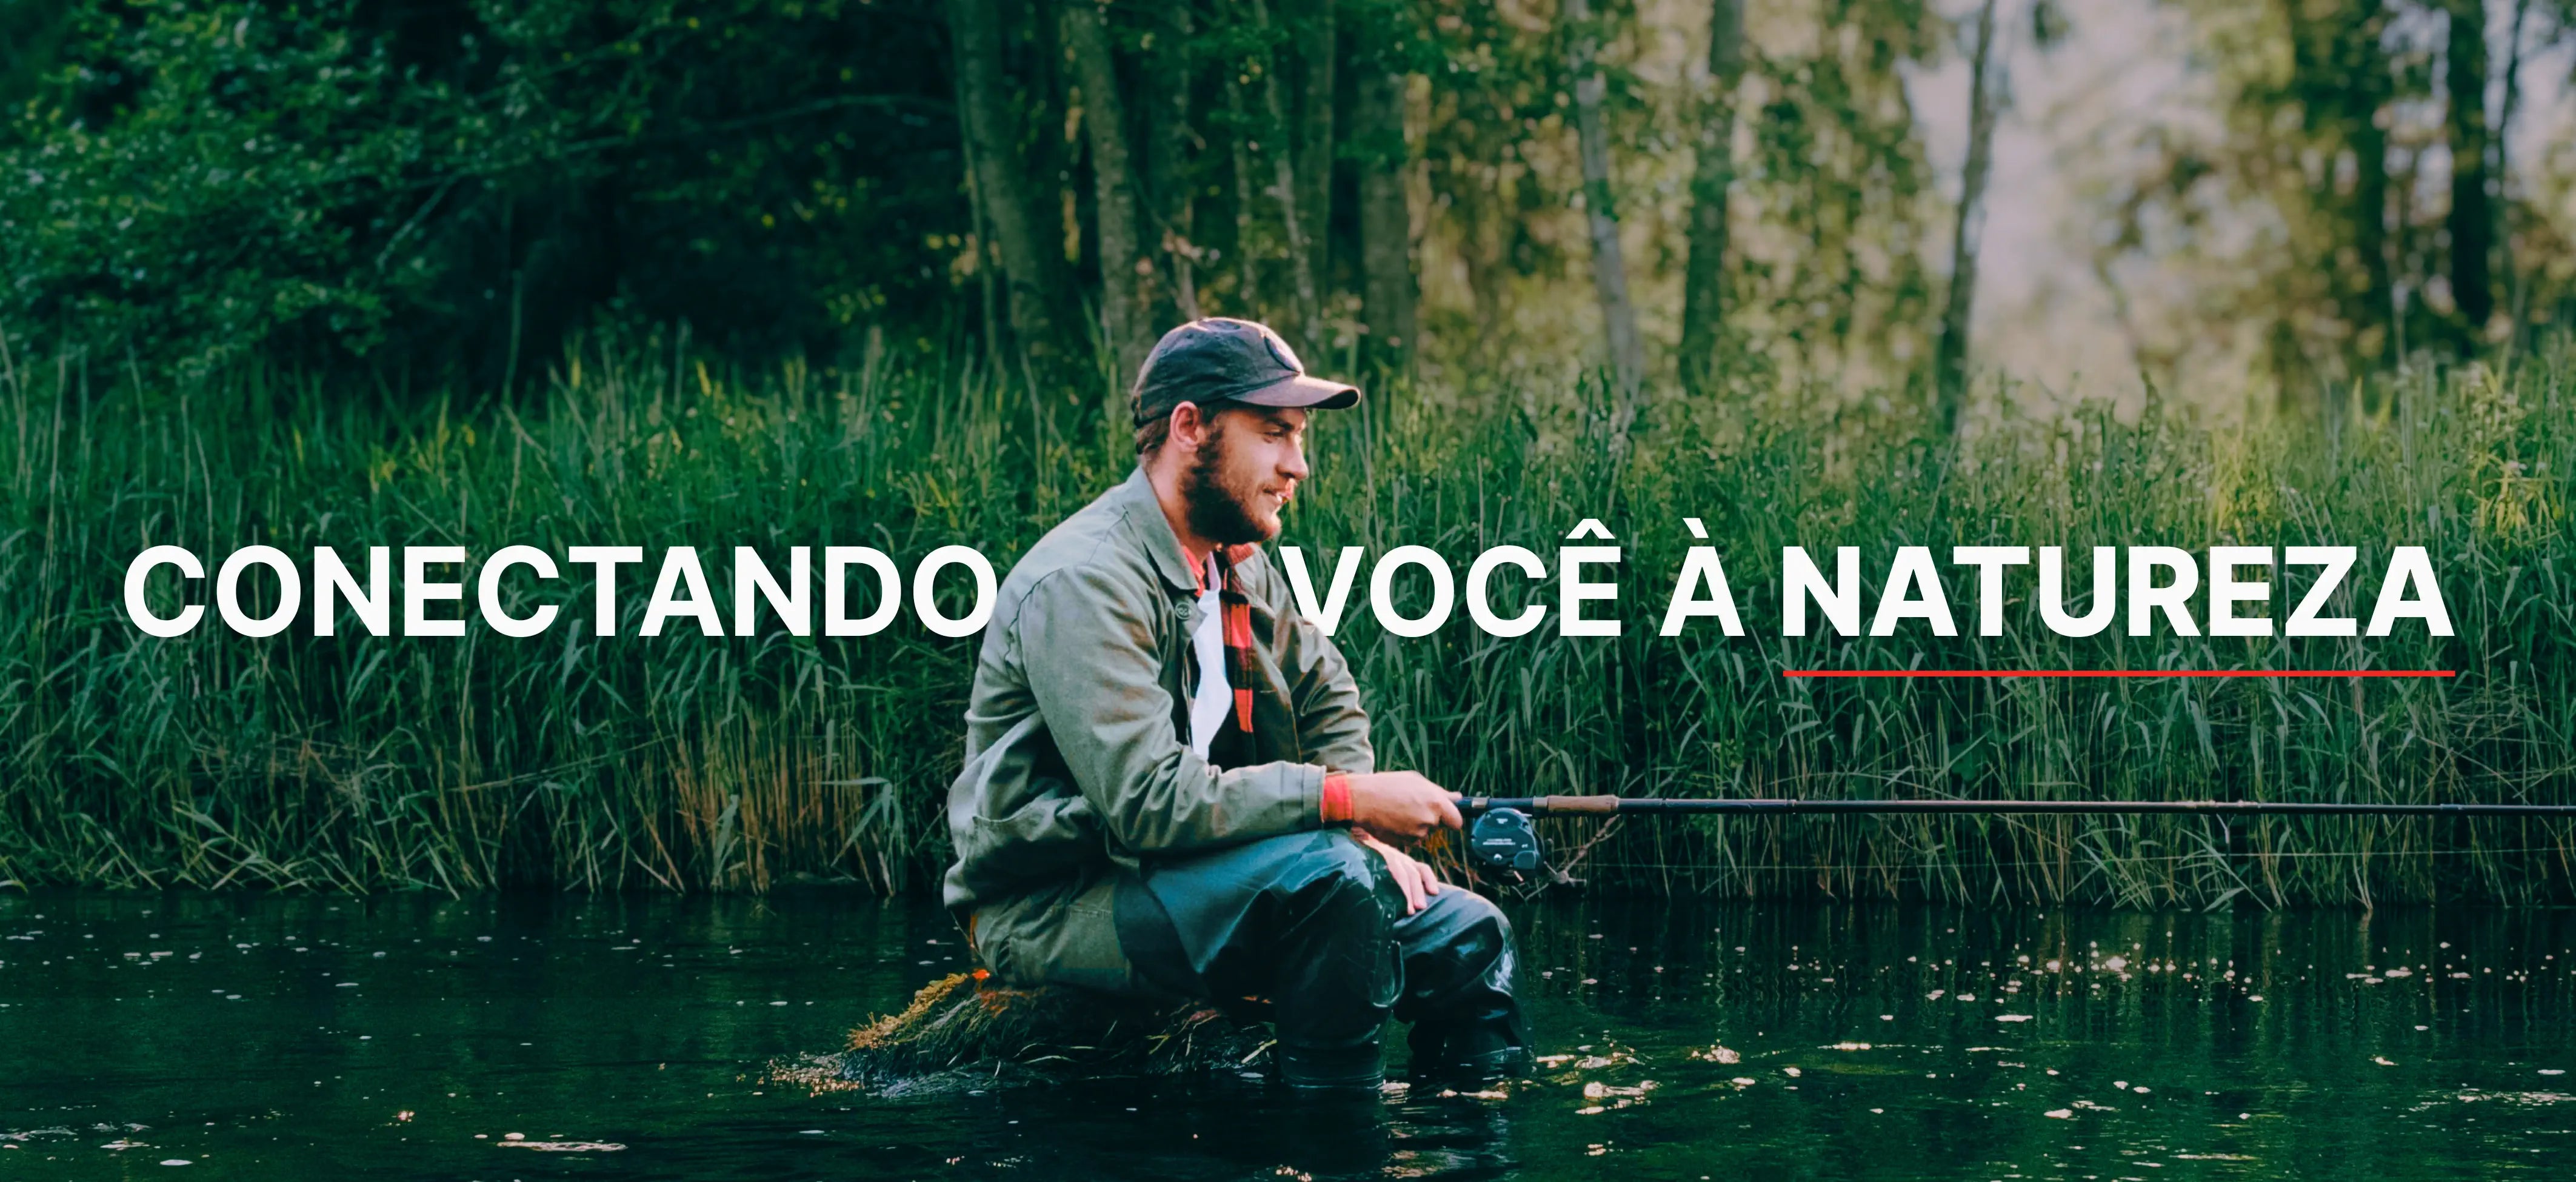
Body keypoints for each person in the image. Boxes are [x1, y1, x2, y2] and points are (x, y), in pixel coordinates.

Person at [941, 318, 1527, 1092]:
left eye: (1300, 438)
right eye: (1274, 434)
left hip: (1197, 876)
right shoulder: (1086, 581)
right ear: (1189, 427)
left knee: (1470, 934)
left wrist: (1354, 828)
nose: (1297, 466)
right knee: (1334, 884)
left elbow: (1325, 694)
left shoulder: (1235, 566)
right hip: (1059, 902)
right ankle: (1335, 1133)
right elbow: (1147, 803)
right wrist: (1344, 802)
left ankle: (1465, 1142)